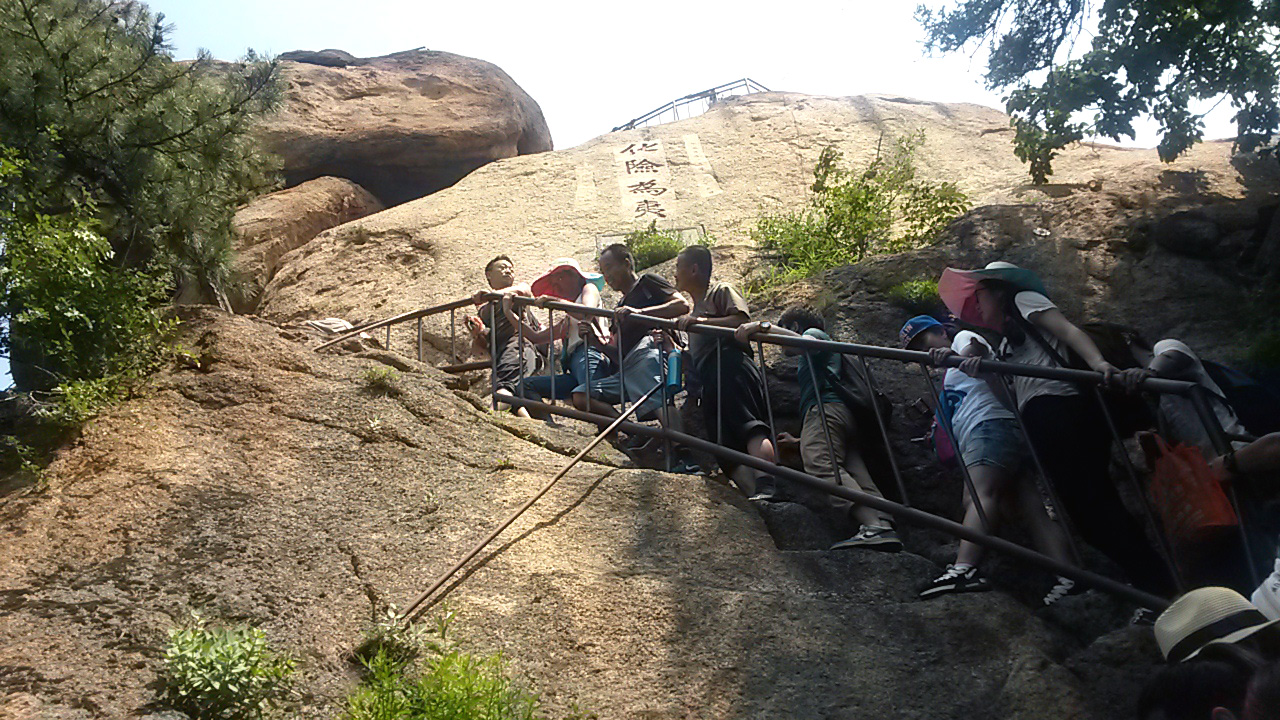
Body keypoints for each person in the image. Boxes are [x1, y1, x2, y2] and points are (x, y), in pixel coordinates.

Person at [938, 261, 1177, 605]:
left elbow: (1067, 331)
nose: (977, 304)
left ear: (1000, 291)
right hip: (1040, 421)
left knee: (1095, 509)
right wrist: (986, 375)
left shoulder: (1026, 302)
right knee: (1088, 516)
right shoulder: (1007, 346)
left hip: (1059, 411)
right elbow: (1011, 401)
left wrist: (1099, 365)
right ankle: (1155, 589)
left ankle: (1160, 591)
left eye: (980, 294)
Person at [902, 314, 1076, 602]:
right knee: (1031, 509)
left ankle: (964, 569)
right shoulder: (949, 371)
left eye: (924, 340)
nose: (923, 349)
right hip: (999, 427)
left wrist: (960, 356)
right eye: (915, 348)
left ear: (941, 332)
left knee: (978, 497)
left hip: (988, 427)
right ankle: (1070, 576)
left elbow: (975, 347)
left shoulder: (959, 339)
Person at [735, 306, 901, 551]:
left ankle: (872, 525)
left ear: (793, 327)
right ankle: (883, 522)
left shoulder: (815, 333)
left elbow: (806, 343)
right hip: (843, 417)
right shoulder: (827, 354)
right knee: (852, 470)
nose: (781, 349)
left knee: (821, 463)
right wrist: (800, 440)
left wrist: (763, 327)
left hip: (825, 410)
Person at [674, 245, 779, 500]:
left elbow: (741, 320)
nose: (674, 274)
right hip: (710, 377)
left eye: (678, 267)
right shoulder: (696, 309)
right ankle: (752, 495)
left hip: (731, 365)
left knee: (748, 425)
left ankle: (767, 485)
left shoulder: (719, 291)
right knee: (722, 443)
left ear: (694, 269)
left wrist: (702, 323)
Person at [584, 243, 698, 469]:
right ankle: (643, 434)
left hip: (651, 349)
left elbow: (681, 305)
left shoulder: (648, 282)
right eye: (603, 272)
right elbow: (617, 356)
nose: (607, 277)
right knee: (584, 395)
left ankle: (684, 454)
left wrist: (639, 313)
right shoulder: (620, 305)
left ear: (626, 263)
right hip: (627, 366)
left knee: (658, 398)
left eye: (609, 268)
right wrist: (594, 341)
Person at [505, 258, 611, 409]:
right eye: (554, 284)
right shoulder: (568, 320)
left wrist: (555, 300)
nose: (557, 287)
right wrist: (508, 313)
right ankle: (549, 428)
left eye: (559, 279)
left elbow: (587, 312)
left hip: (590, 352)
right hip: (573, 365)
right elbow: (536, 337)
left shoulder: (589, 289)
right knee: (525, 386)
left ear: (575, 276)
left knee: (590, 395)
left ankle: (622, 429)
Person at [466, 255, 542, 418]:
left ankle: (487, 420)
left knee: (505, 387)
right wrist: (478, 334)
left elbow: (525, 289)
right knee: (515, 393)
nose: (508, 270)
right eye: (502, 267)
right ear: (488, 274)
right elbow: (483, 345)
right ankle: (536, 432)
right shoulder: (485, 308)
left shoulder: (514, 294)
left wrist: (493, 295)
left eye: (511, 268)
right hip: (502, 352)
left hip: (518, 346)